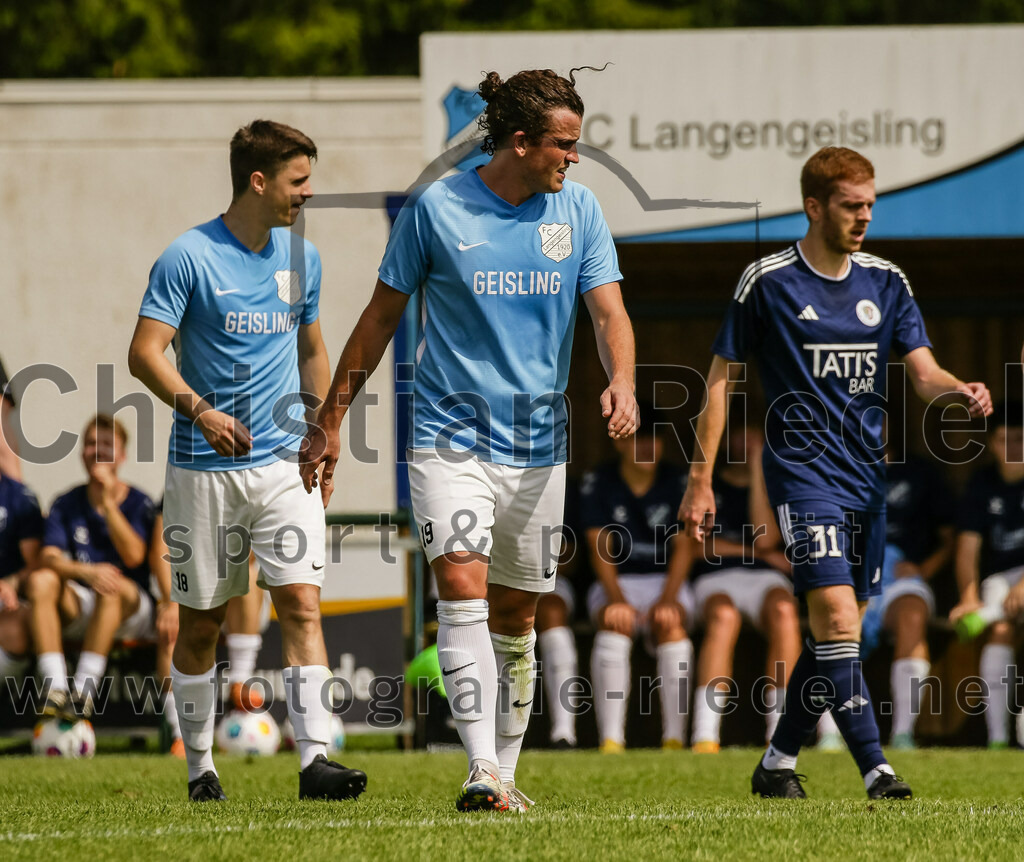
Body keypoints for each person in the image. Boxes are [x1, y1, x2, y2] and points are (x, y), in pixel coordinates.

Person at [300, 69, 637, 812]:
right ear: (521, 142)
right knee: (461, 587)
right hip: (448, 439)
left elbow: (610, 314)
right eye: (565, 145)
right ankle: (481, 768)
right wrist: (331, 420)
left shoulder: (578, 211)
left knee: (518, 618)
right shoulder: (436, 208)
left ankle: (506, 776)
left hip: (540, 449)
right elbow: (380, 318)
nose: (574, 159)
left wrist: (623, 380)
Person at [679, 146, 991, 800]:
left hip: (864, 485)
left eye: (871, 204)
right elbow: (721, 380)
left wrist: (959, 390)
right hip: (803, 477)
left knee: (831, 638)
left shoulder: (887, 282)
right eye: (852, 205)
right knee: (839, 620)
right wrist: (701, 477)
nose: (864, 217)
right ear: (814, 206)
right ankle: (878, 770)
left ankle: (778, 762)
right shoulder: (767, 280)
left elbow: (924, 373)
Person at [128, 119, 366, 803]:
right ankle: (201, 765)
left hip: (282, 468)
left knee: (299, 603)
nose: (308, 194)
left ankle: (315, 759)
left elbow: (312, 348)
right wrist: (199, 409)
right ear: (257, 182)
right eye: (298, 181)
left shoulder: (302, 260)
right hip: (202, 471)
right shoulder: (187, 255)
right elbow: (144, 352)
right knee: (202, 621)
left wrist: (322, 423)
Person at [26, 414, 157, 720]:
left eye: (107, 444)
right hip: (84, 602)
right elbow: (49, 557)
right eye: (90, 443)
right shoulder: (66, 502)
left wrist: (108, 504)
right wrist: (86, 572)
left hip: (132, 608)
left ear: (122, 456)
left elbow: (135, 557)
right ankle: (56, 687)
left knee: (110, 587)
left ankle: (83, 691)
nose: (96, 450)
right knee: (41, 581)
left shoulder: (139, 502)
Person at [581, 404, 693, 752]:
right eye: (637, 439)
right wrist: (615, 598)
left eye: (655, 439)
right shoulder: (599, 480)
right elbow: (599, 545)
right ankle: (611, 741)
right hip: (618, 582)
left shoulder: (679, 482)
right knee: (614, 624)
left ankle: (674, 740)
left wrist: (669, 598)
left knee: (672, 625)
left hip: (666, 582)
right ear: (618, 442)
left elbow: (686, 546)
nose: (647, 447)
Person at [687, 424, 800, 752]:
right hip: (715, 578)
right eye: (740, 432)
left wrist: (757, 468)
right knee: (723, 616)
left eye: (754, 434)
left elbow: (766, 537)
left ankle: (779, 735)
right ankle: (705, 735)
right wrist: (756, 554)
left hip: (764, 579)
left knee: (784, 611)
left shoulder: (776, 484)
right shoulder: (703, 483)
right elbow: (697, 546)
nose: (746, 440)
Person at [858, 436, 955, 749]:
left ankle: (902, 734)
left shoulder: (919, 473)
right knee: (837, 628)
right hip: (851, 574)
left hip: (902, 576)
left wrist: (923, 569)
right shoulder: (838, 467)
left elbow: (952, 537)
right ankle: (830, 735)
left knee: (912, 614)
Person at [950, 401, 1024, 748]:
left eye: (1019, 439)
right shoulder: (981, 484)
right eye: (1004, 440)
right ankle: (997, 740)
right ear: (992, 444)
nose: (1011, 448)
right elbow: (967, 548)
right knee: (1000, 628)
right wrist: (968, 597)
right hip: (999, 580)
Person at [534, 477, 582, 749]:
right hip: (497, 580)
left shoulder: (561, 484)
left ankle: (563, 733)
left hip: (548, 577)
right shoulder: (490, 475)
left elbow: (571, 556)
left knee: (552, 610)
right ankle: (489, 739)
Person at [0, 466, 44, 689]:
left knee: (14, 626)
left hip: (10, 595)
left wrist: (11, 583)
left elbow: (34, 563)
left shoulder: (20, 497)